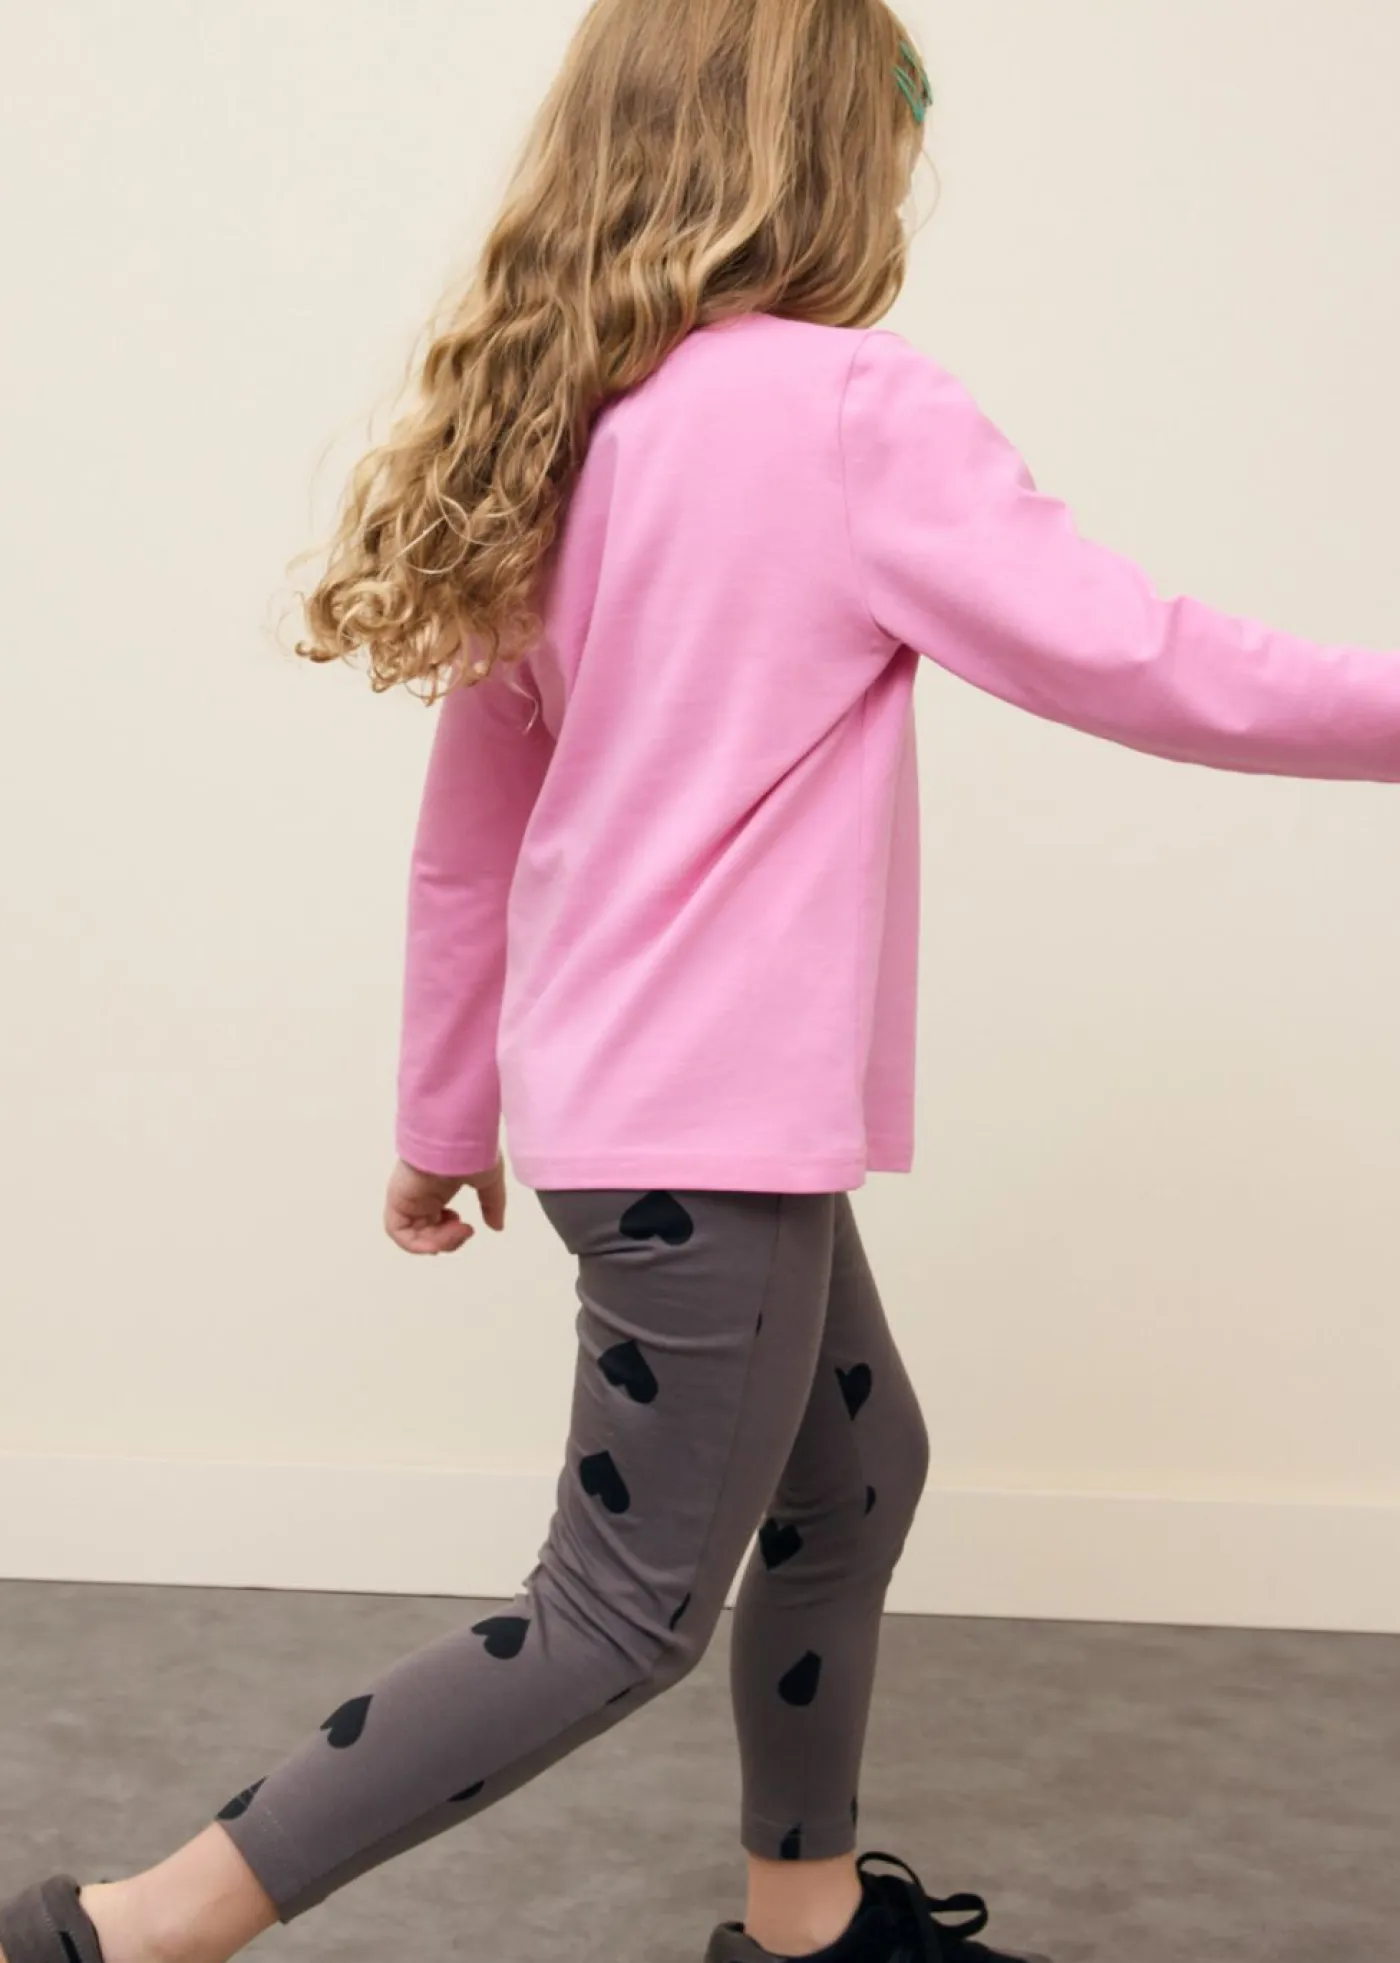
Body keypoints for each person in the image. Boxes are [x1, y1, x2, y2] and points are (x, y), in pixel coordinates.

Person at [5, 1, 1400, 1961]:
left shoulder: (572, 422)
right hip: (712, 1131)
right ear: (827, 145)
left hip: (639, 1116)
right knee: (614, 1609)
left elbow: (472, 830)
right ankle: (120, 1931)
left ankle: (804, 1927)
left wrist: (441, 1115)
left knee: (856, 1476)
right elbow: (1140, 657)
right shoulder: (849, 410)